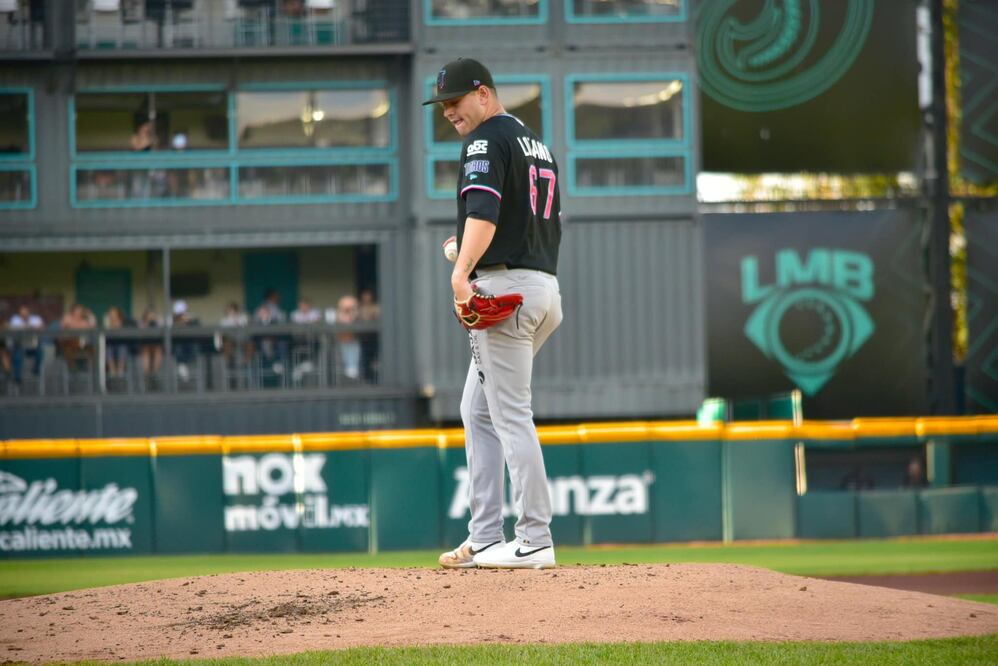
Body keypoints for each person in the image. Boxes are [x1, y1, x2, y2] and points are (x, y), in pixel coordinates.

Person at [425, 58, 563, 570]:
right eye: (443, 105)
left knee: (508, 414)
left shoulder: (484, 140)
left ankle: (535, 538)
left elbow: (483, 211)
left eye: (456, 101)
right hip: (541, 287)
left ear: (483, 93)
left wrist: (462, 272)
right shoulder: (533, 141)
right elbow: (520, 221)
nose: (449, 113)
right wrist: (467, 248)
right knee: (478, 410)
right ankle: (484, 537)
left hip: (506, 289)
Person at [8, 304, 44, 385]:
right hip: (20, 345)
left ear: (29, 312)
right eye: (22, 313)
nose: (24, 315)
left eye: (25, 313)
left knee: (40, 351)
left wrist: (30, 326)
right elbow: (12, 329)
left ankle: (36, 370)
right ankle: (17, 378)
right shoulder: (15, 319)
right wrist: (26, 327)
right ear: (19, 313)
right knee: (17, 356)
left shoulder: (35, 319)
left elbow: (41, 327)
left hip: (33, 345)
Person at [335, 294, 362, 380]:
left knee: (353, 345)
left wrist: (352, 313)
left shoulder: (356, 313)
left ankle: (352, 368)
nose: (348, 308)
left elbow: (354, 319)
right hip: (339, 341)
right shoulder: (338, 314)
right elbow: (340, 321)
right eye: (346, 306)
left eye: (351, 306)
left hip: (353, 339)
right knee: (346, 345)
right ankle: (349, 368)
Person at [103, 305, 134, 378]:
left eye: (114, 313)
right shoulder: (107, 323)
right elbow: (105, 337)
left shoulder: (124, 322)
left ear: (118, 314)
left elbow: (127, 335)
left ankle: (120, 372)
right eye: (110, 313)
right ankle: (112, 372)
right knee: (108, 349)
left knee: (122, 348)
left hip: (122, 345)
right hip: (110, 345)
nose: (112, 315)